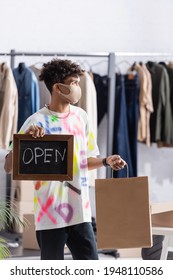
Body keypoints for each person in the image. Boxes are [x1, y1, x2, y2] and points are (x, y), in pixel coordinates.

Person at [4, 59, 126, 260]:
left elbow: (84, 161)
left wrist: (106, 161)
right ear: (58, 87)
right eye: (74, 82)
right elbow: (9, 167)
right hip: (50, 215)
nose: (78, 87)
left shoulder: (81, 117)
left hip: (81, 212)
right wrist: (26, 141)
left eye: (78, 82)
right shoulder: (35, 121)